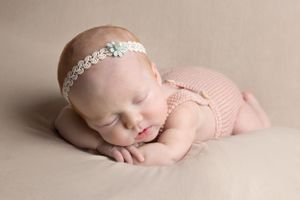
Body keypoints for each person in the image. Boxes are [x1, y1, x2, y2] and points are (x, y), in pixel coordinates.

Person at [54, 25, 271, 166]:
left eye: (139, 100)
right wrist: (102, 145)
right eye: (109, 120)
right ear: (88, 121)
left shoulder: (183, 113)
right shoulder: (114, 101)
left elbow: (169, 152)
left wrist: (132, 159)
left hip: (224, 99)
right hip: (170, 80)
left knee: (257, 132)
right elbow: (63, 119)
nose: (133, 121)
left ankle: (253, 107)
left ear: (155, 76)